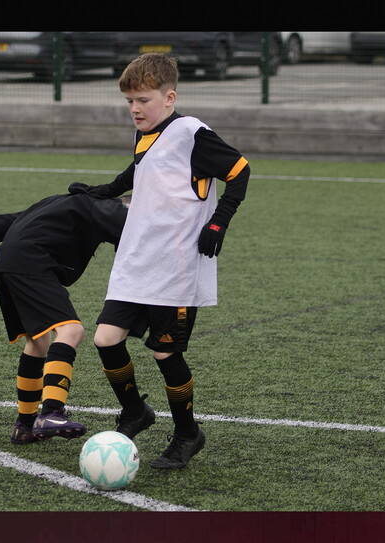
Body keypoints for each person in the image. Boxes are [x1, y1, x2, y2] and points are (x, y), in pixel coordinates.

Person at [68, 53, 251, 469]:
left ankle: (188, 433)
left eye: (143, 100)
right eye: (129, 101)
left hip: (177, 267)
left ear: (169, 98)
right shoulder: (146, 132)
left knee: (165, 355)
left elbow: (240, 171)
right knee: (105, 339)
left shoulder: (192, 133)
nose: (135, 109)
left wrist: (219, 224)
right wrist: (99, 191)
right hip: (138, 261)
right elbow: (137, 172)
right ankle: (136, 412)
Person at [0, 192, 129, 444]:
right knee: (71, 332)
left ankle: (24, 426)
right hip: (32, 263)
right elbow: (132, 228)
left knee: (38, 343)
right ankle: (51, 413)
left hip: (7, 263)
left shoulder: (58, 202)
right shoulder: (105, 208)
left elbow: (9, 221)